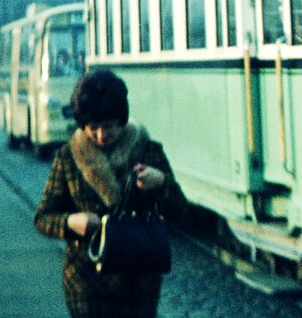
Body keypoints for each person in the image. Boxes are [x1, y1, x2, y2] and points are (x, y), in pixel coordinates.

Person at [35, 69, 188, 318]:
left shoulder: (147, 150)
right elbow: (42, 218)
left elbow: (181, 212)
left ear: (121, 120)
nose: (101, 135)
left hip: (139, 281)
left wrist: (161, 183)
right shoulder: (67, 158)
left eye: (108, 126)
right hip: (85, 281)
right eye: (93, 128)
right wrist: (71, 222)